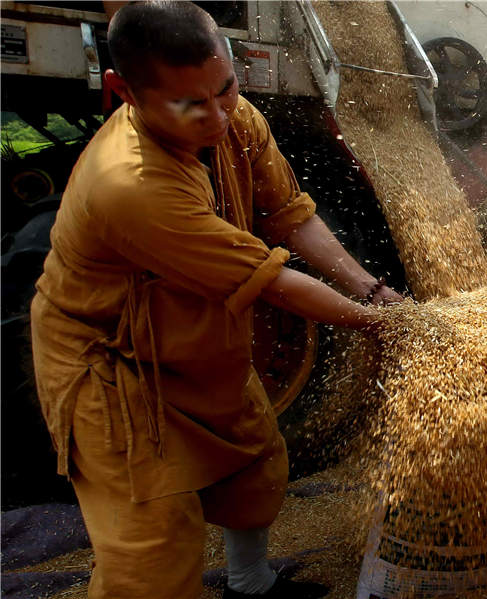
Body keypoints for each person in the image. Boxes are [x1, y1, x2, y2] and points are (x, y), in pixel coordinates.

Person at [29, 3, 402, 598]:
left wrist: (373, 291)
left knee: (256, 464)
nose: (217, 115)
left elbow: (288, 215)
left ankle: (249, 584)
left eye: (225, 88)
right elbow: (272, 279)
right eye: (189, 104)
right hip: (112, 360)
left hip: (193, 329)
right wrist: (377, 324)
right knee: (152, 542)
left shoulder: (237, 116)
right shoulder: (130, 184)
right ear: (122, 91)